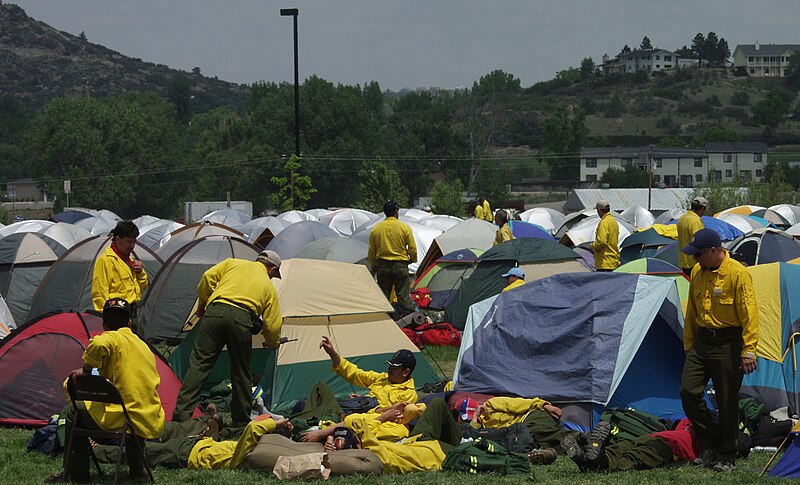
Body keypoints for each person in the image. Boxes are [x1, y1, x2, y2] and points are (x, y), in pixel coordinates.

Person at [47, 298, 165, 483]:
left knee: (71, 413)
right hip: (147, 415)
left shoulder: (111, 338)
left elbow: (99, 344)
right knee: (132, 409)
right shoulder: (143, 345)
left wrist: (86, 369)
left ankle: (75, 473)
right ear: (129, 322)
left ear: (104, 324)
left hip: (121, 416)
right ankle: (137, 469)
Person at [678, 228, 759, 473]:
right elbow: (692, 311)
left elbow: (750, 315)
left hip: (729, 343)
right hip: (702, 341)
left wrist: (749, 350)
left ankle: (726, 454)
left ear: (714, 251)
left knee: (727, 401)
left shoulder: (738, 274)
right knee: (688, 391)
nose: (694, 259)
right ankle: (709, 443)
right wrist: (689, 344)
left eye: (698, 254)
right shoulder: (697, 271)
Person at [173, 250, 283, 427]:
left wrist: (203, 303)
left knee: (199, 365)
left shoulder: (232, 263)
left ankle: (181, 415)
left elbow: (207, 277)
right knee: (241, 372)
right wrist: (271, 342)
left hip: (214, 312)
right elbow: (273, 324)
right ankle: (240, 421)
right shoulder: (268, 286)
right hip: (241, 319)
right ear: (271, 269)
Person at [300, 337, 418, 443]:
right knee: (310, 400)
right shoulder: (383, 378)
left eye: (394, 367)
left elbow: (391, 415)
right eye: (390, 365)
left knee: (317, 408)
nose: (389, 369)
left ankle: (323, 432)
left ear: (405, 372)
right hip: (358, 406)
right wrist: (332, 353)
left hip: (369, 415)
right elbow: (355, 374)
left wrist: (372, 405)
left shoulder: (409, 394)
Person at [92, 411, 294, 471]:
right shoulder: (251, 450)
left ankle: (96, 450)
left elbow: (253, 428)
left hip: (188, 454)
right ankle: (210, 432)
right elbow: (254, 430)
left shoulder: (245, 459)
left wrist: (274, 423)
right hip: (199, 445)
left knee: (143, 452)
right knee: (157, 437)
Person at [562, 418, 699, 473]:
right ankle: (592, 458)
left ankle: (593, 461)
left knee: (639, 455)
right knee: (622, 445)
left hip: (673, 447)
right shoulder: (688, 419)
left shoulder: (712, 429)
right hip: (655, 435)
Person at [368, 200, 417, 314]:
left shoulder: (376, 229)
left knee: (384, 296)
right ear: (396, 212)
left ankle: (383, 318)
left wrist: (373, 264)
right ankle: (407, 318)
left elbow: (372, 250)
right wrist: (412, 260)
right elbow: (412, 248)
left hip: (383, 265)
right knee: (403, 296)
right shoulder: (404, 227)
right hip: (400, 265)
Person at [91, 220, 148, 317]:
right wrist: (106, 317)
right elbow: (99, 293)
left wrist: (140, 272)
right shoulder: (106, 260)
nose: (132, 246)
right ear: (117, 239)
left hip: (132, 311)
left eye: (134, 242)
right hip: (116, 314)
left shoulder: (128, 260)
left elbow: (141, 288)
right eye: (129, 242)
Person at [677, 196, 708, 277]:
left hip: (684, 260)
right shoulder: (695, 221)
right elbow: (699, 241)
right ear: (702, 208)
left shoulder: (682, 218)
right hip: (694, 262)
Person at [590, 200, 619, 271]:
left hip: (604, 262)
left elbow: (601, 241)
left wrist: (592, 246)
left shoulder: (604, 222)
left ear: (599, 210)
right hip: (613, 261)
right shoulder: (613, 221)